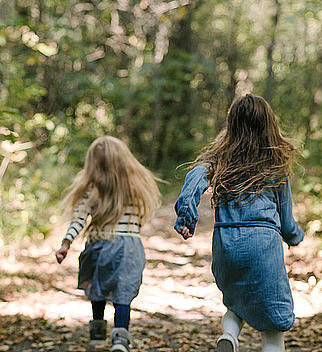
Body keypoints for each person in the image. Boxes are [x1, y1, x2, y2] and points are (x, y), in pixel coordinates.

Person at [173, 94, 304, 352]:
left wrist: (186, 216)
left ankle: (230, 336)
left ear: (231, 125)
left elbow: (195, 175)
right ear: (269, 125)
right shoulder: (275, 164)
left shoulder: (219, 161)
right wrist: (295, 237)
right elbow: (286, 219)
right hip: (263, 244)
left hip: (226, 245)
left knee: (236, 302)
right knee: (273, 326)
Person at [55, 136, 161, 352]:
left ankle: (96, 335)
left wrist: (66, 243)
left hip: (99, 245)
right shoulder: (136, 186)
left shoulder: (91, 189)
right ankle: (120, 339)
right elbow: (141, 217)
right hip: (129, 247)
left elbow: (78, 220)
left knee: (98, 288)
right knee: (123, 293)